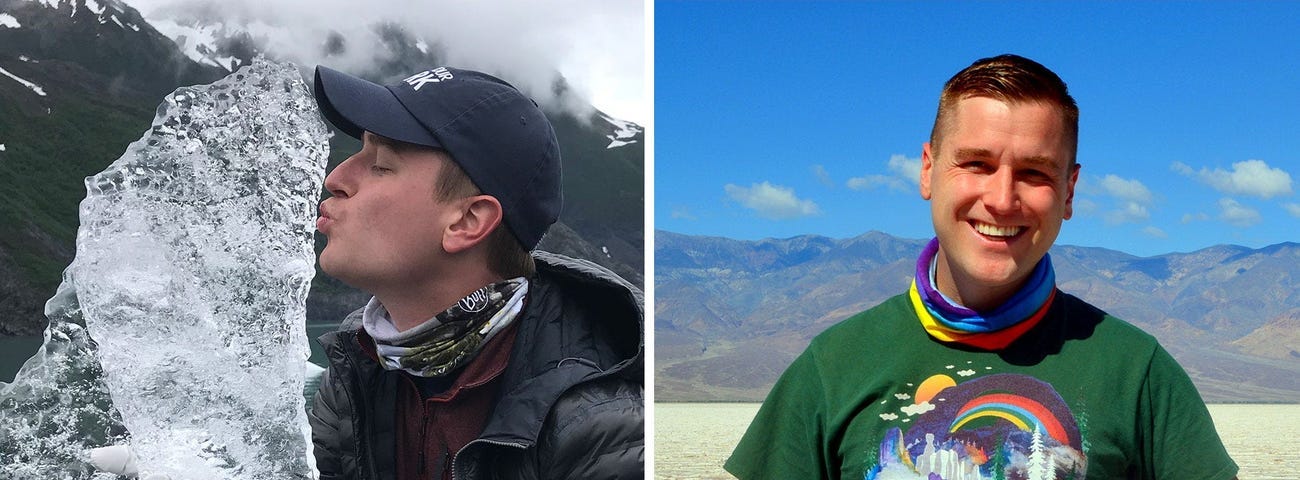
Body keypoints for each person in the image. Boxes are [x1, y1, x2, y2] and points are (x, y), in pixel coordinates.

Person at [725, 55, 1237, 480]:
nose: (1001, 198)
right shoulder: (832, 368)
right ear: (928, 170)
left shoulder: (1138, 372)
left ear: (1069, 191)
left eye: (1034, 172)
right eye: (976, 164)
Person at [308, 65, 644, 479]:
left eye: (380, 164)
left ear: (467, 221)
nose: (335, 177)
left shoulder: (598, 429)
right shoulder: (354, 372)